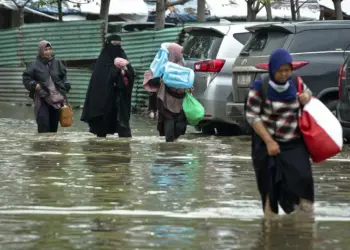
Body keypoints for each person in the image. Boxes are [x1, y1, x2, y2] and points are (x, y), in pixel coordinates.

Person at [245, 48, 314, 217]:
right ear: (272, 69)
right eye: (280, 70)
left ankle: (305, 230)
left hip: (293, 142)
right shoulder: (260, 86)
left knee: (303, 182)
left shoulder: (296, 81)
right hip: (266, 144)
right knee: (269, 190)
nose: (284, 74)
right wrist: (269, 141)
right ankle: (270, 230)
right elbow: (252, 116)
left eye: (287, 70)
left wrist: (306, 96)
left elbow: (308, 93)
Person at [81, 34, 135, 138]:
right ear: (108, 44)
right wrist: (116, 72)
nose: (116, 46)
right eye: (113, 44)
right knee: (102, 131)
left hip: (120, 99)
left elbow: (131, 73)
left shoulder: (122, 55)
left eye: (118, 44)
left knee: (124, 130)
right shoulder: (102, 61)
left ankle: (124, 150)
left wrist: (125, 71)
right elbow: (100, 79)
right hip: (105, 100)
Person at [143, 43, 188, 142]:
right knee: (169, 125)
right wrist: (160, 80)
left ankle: (172, 149)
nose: (181, 54)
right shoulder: (161, 65)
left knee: (180, 126)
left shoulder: (184, 64)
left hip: (181, 99)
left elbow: (189, 79)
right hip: (166, 99)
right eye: (180, 52)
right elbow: (150, 77)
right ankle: (169, 149)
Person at [22, 40, 70, 133]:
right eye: (45, 50)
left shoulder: (57, 63)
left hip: (56, 99)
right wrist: (35, 85)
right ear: (40, 51)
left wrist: (66, 85)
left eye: (49, 49)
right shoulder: (33, 64)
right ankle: (42, 147)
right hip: (42, 98)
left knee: (53, 128)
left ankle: (51, 147)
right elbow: (26, 78)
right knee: (43, 126)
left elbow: (64, 75)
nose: (48, 52)